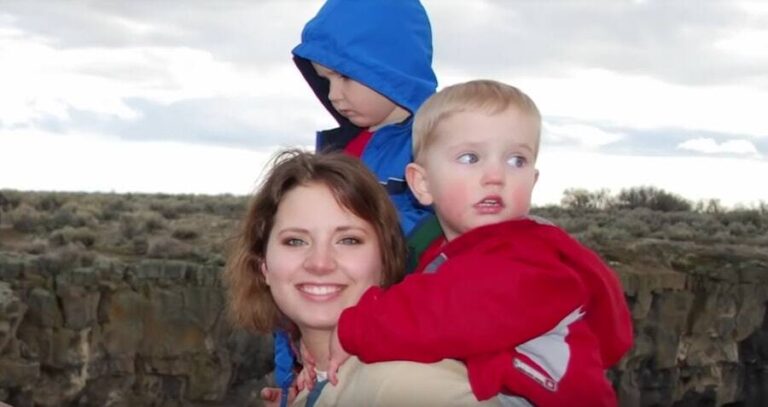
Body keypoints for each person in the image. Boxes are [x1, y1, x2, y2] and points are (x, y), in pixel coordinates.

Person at [323, 80, 635, 406]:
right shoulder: (444, 253)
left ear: (533, 181)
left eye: (516, 160)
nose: (496, 176)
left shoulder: (529, 258)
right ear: (423, 183)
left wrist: (354, 330)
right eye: (471, 158)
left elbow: (445, 313)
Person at [224, 149, 501, 406]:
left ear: (385, 260)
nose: (320, 263)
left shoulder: (404, 383)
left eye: (349, 240)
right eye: (295, 241)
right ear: (264, 266)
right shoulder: (320, 385)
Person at [291, 0, 437, 237]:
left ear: (390, 69)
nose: (333, 95)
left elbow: (452, 225)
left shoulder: (436, 144)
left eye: (345, 76)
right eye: (326, 80)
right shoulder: (341, 147)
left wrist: (360, 229)